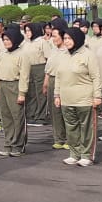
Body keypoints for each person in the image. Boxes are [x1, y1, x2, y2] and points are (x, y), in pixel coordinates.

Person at [55, 28, 102, 166]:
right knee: (71, 128)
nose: (67, 41)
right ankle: (74, 153)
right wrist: (57, 94)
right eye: (65, 39)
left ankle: (87, 155)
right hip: (66, 99)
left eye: (69, 38)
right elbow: (58, 76)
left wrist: (97, 96)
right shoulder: (63, 55)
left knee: (87, 128)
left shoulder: (88, 55)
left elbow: (96, 77)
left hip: (84, 99)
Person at [0, 27, 30, 156]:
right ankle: (8, 143)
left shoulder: (22, 54)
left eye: (8, 39)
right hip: (2, 85)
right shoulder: (2, 54)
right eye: (4, 40)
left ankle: (18, 144)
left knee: (17, 116)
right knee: (6, 116)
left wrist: (22, 93)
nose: (6, 42)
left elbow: (24, 75)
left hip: (15, 85)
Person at [44, 21, 70, 150]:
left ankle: (69, 139)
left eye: (55, 36)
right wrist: (46, 82)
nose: (52, 38)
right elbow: (49, 68)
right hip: (52, 80)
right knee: (55, 111)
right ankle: (59, 138)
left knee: (65, 111)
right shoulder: (53, 49)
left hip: (64, 82)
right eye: (52, 36)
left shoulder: (68, 50)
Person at [23, 23, 50, 126]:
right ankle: (31, 114)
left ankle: (41, 116)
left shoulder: (42, 42)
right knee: (30, 92)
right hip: (28, 68)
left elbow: (48, 58)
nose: (27, 33)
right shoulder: (26, 43)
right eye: (26, 31)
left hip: (40, 67)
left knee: (40, 93)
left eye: (29, 30)